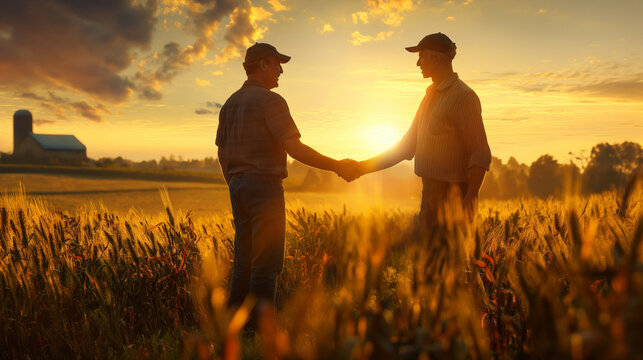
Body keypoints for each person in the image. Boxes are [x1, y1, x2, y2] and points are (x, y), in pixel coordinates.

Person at [216, 43, 355, 314]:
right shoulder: (271, 101)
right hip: (265, 188)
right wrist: (337, 166)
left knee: (243, 262)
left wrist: (233, 183)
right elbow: (295, 148)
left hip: (237, 186)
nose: (281, 70)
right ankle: (260, 330)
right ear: (262, 65)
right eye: (276, 63)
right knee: (266, 264)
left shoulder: (230, 103)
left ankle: (234, 327)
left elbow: (222, 152)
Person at [345, 32, 491, 230]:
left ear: (436, 58)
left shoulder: (464, 96)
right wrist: (362, 167)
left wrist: (470, 199)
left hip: (453, 197)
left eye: (421, 56)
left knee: (446, 260)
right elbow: (407, 146)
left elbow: (479, 153)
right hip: (429, 195)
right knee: (428, 260)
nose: (418, 63)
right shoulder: (430, 96)